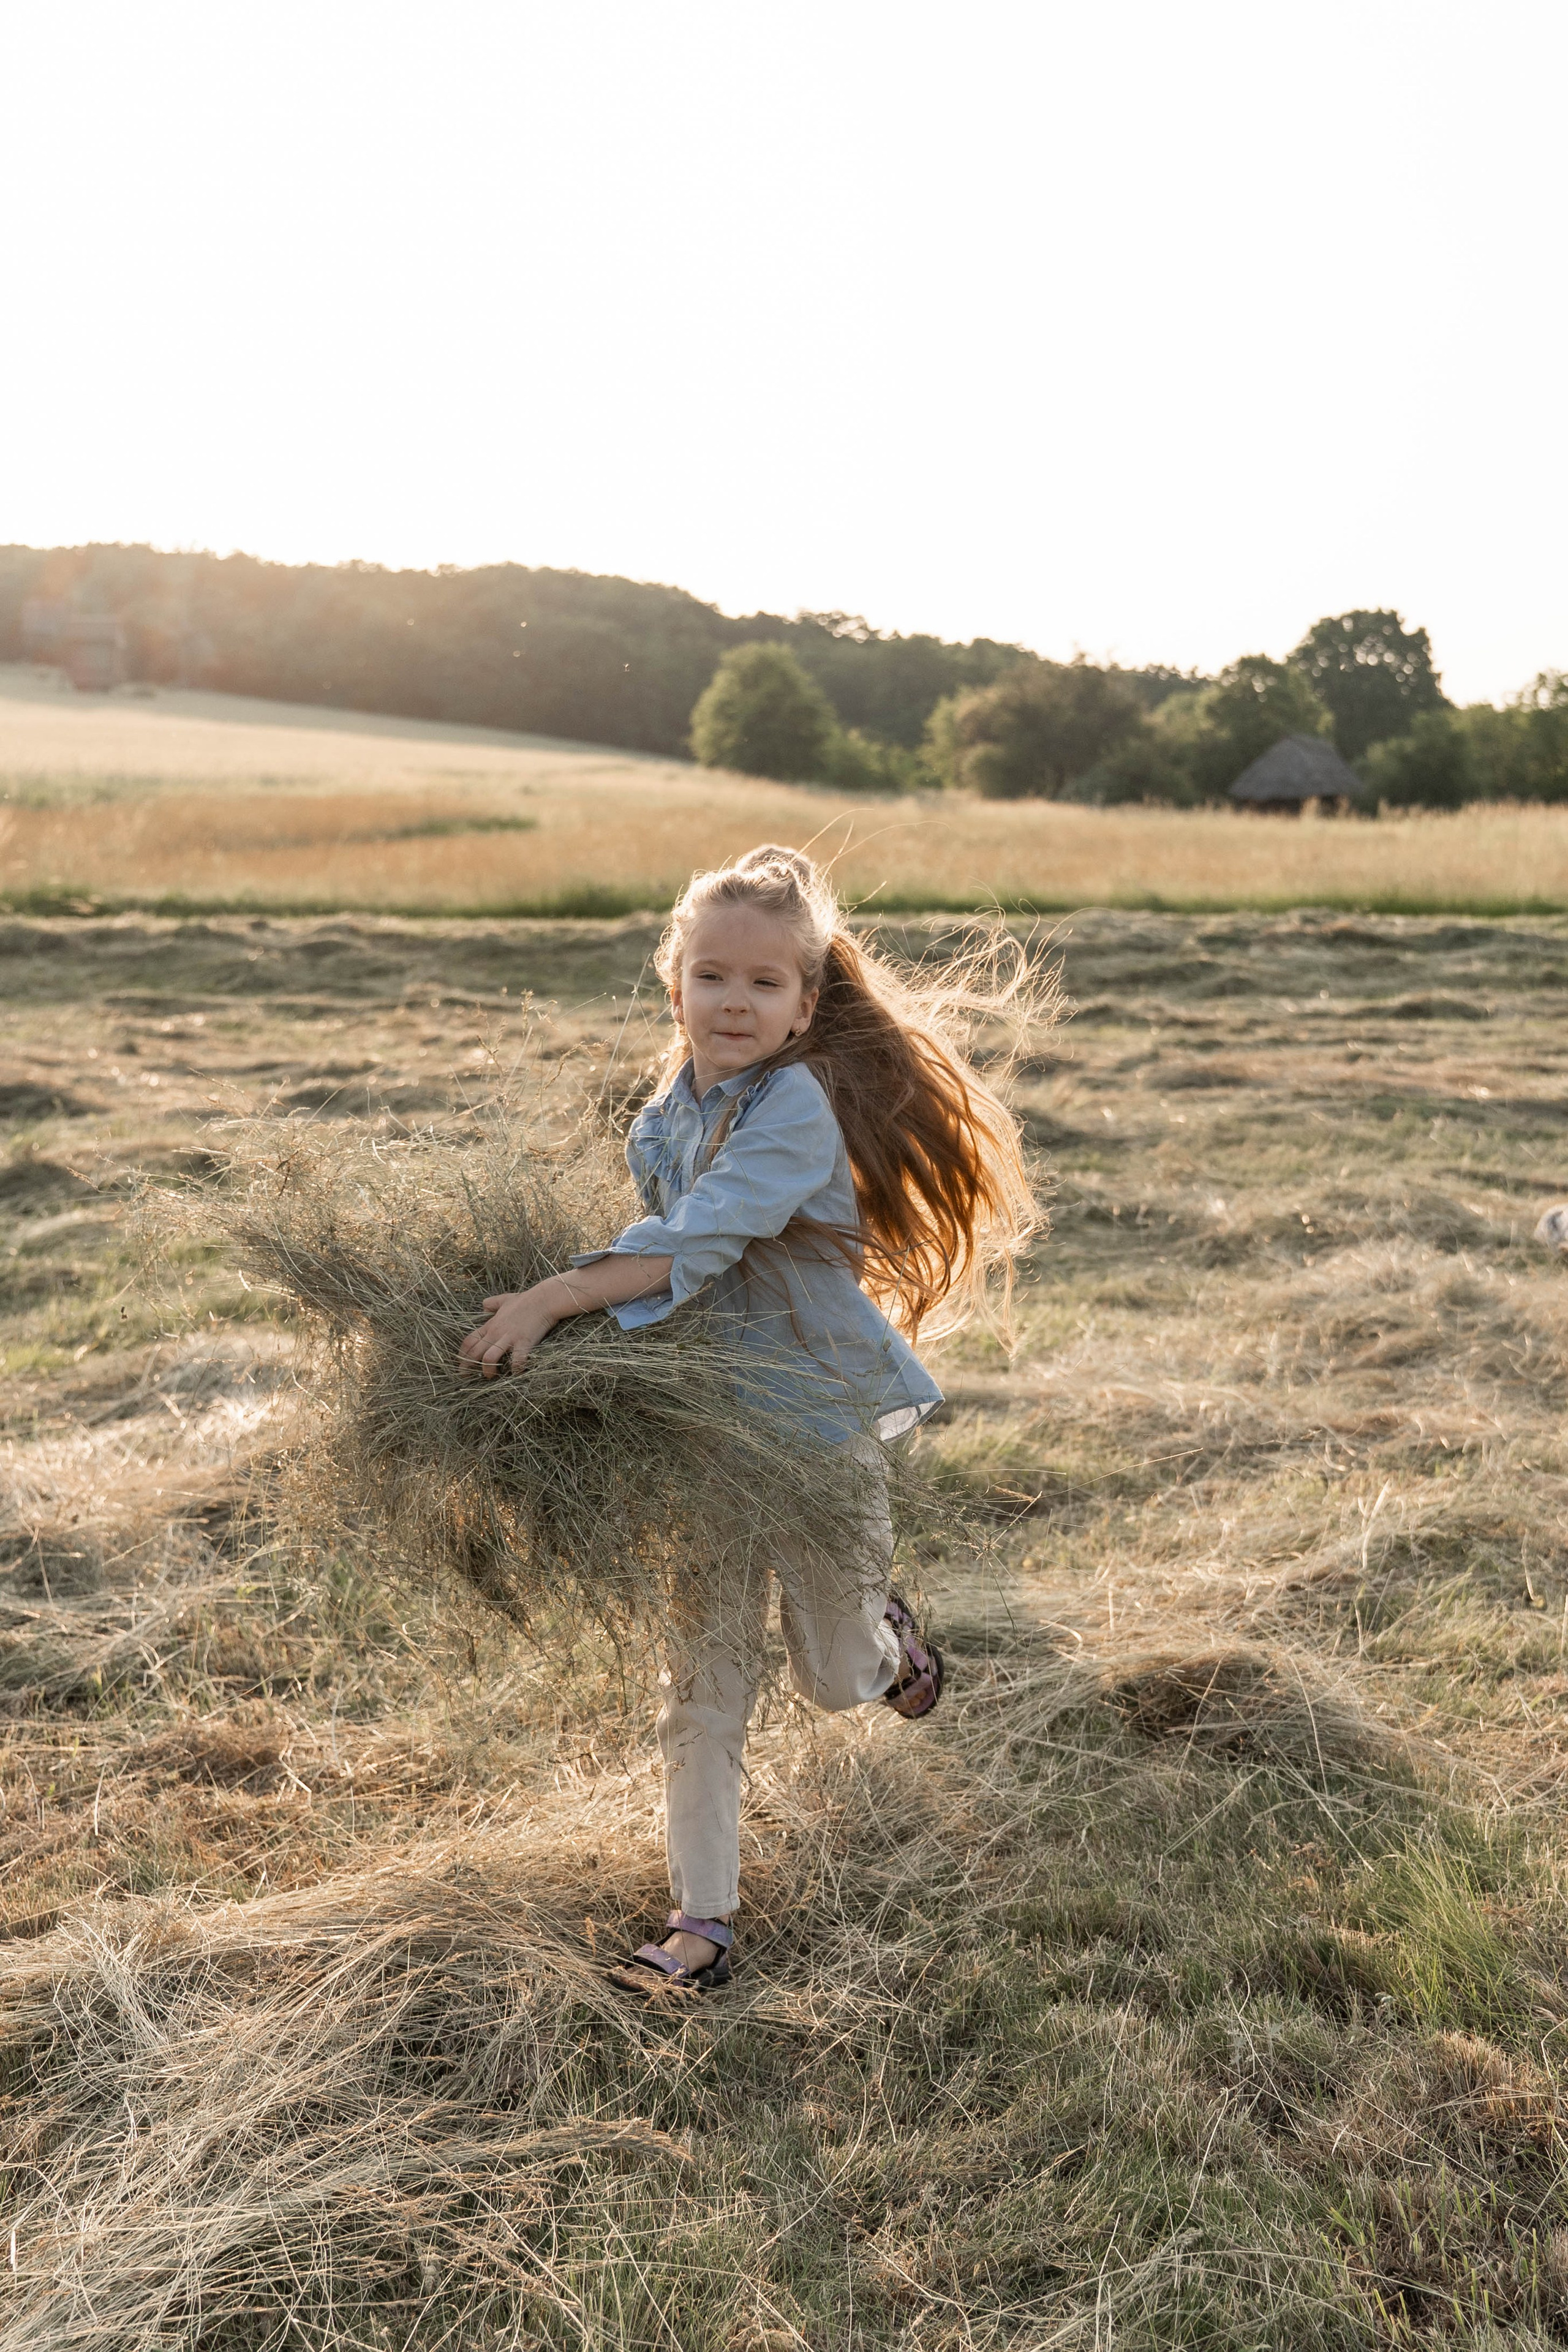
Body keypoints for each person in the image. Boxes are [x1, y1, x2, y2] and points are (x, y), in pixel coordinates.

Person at [458, 846, 1039, 1995]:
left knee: (829, 1678)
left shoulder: (800, 1110)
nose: (734, 1002)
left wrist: (553, 1299)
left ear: (806, 1005)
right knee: (703, 1686)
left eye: (765, 985)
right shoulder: (665, 1109)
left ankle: (887, 1640)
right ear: (673, 983)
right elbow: (657, 1238)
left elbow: (697, 1238)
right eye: (710, 976)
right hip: (706, 1430)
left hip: (816, 1430)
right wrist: (561, 1324)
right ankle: (703, 1920)